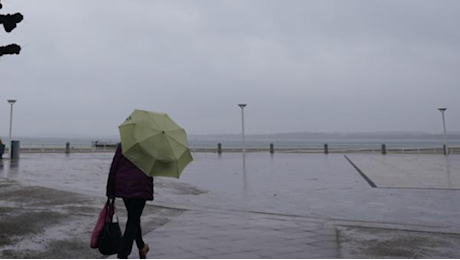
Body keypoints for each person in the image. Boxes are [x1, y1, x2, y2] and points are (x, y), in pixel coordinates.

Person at [106, 144, 153, 260]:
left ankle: (141, 246)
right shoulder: (150, 147)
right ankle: (123, 254)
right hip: (141, 187)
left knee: (134, 217)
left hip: (124, 187)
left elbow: (114, 167)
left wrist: (110, 192)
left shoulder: (123, 145)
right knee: (133, 220)